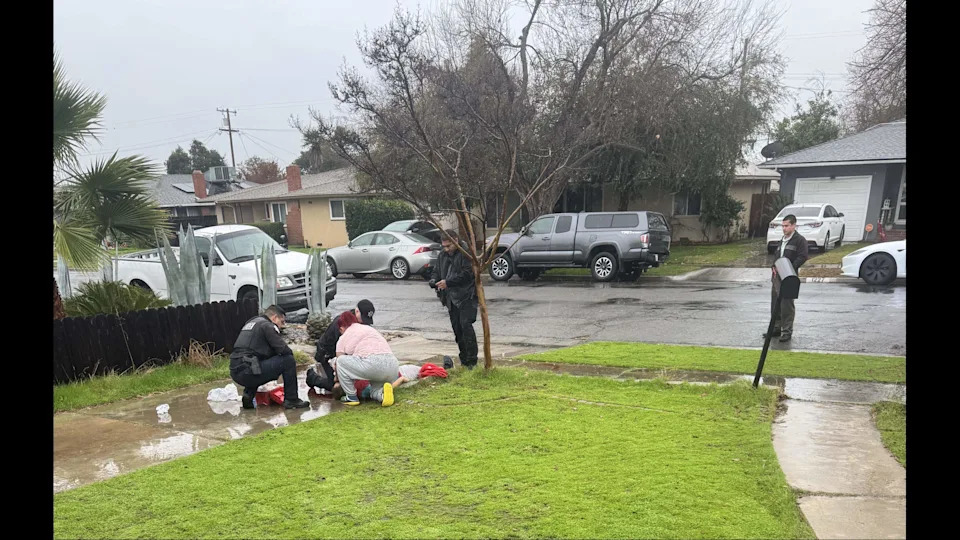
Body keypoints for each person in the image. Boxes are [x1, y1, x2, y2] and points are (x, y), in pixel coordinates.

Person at [229, 305, 310, 410]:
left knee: (257, 362)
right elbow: (284, 350)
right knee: (288, 360)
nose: (282, 326)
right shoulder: (267, 326)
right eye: (282, 322)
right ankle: (292, 400)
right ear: (274, 318)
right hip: (248, 371)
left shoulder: (252, 323)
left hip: (235, 371)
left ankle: (248, 396)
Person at [305, 300, 376, 392]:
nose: (364, 322)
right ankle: (312, 378)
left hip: (345, 355)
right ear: (357, 311)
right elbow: (342, 354)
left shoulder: (361, 323)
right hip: (327, 355)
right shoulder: (343, 323)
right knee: (337, 387)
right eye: (362, 318)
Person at [432, 229, 479, 369]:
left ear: (456, 240)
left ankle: (472, 362)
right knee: (457, 329)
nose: (446, 249)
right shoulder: (443, 255)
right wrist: (434, 280)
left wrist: (448, 282)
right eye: (444, 246)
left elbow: (467, 274)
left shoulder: (465, 253)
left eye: (449, 246)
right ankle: (464, 360)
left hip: (466, 296)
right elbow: (436, 271)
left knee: (466, 326)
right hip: (450, 298)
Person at [334, 310, 400, 406]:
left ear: (341, 328)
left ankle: (351, 397)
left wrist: (337, 380)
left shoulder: (343, 337)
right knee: (374, 391)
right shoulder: (368, 329)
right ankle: (383, 395)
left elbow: (340, 363)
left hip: (372, 365)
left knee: (340, 361)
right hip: (393, 366)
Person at [766, 214, 809, 342]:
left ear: (794, 225)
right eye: (783, 226)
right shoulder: (783, 240)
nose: (784, 228)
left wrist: (790, 268)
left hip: (789, 277)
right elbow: (777, 255)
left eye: (786, 226)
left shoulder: (799, 240)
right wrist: (774, 266)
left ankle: (787, 331)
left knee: (787, 305)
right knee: (775, 303)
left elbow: (802, 256)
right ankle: (776, 328)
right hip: (777, 277)